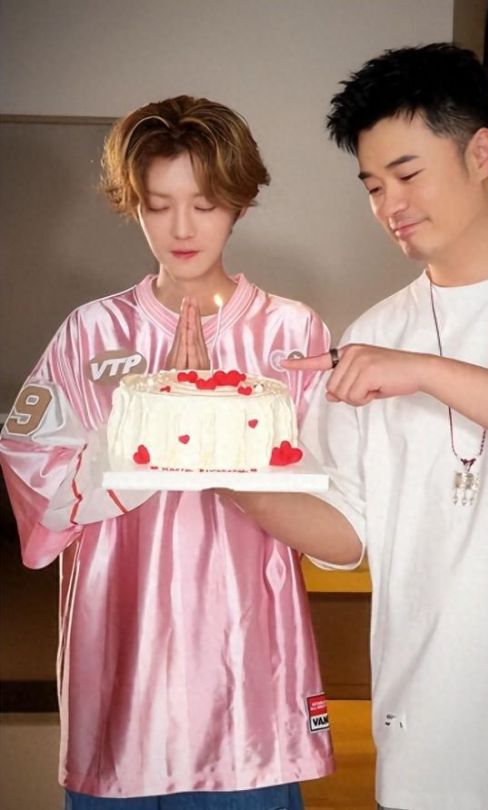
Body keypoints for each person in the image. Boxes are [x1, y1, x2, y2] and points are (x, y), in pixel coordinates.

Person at [223, 44, 488, 810]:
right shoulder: (373, 332)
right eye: (372, 186)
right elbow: (346, 534)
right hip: (423, 735)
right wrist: (229, 478)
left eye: (407, 174)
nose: (389, 204)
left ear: (480, 153)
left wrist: (426, 372)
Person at [0, 95, 334, 808]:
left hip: (248, 686)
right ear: (135, 206)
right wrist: (150, 420)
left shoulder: (292, 333)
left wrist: (215, 415)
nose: (182, 228)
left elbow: (328, 496)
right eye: (159, 206)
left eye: (205, 204)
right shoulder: (90, 333)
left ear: (238, 203)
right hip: (123, 677)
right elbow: (30, 467)